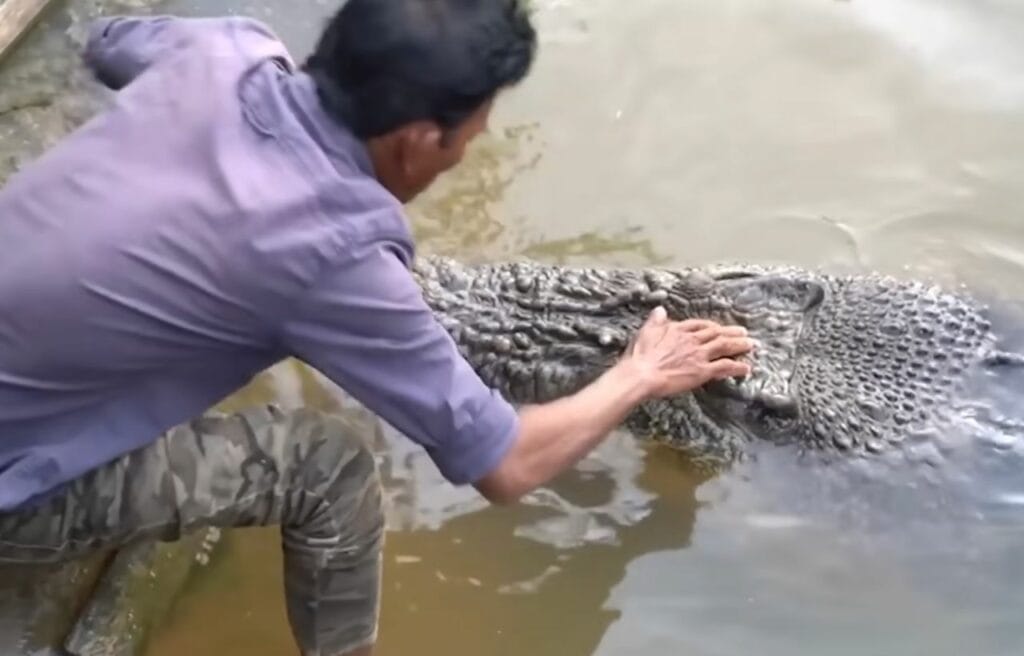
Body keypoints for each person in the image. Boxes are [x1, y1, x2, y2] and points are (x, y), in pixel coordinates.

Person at [0, 1, 753, 654]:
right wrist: (641, 374)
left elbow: (105, 41)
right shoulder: (334, 252)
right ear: (421, 139)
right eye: (469, 139)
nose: (463, 156)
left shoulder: (227, 48)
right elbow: (507, 464)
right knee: (329, 468)